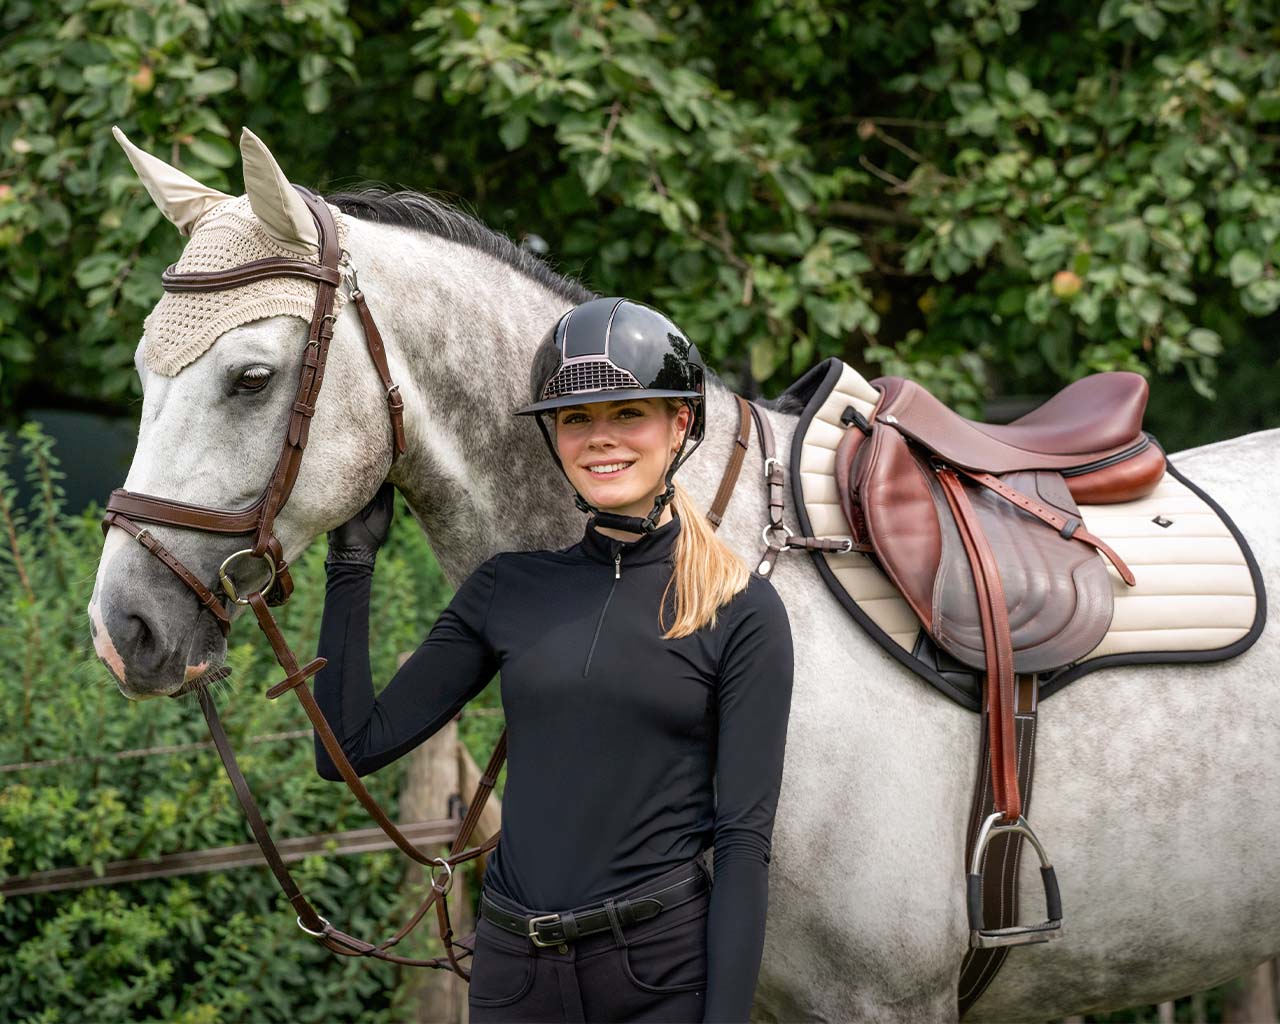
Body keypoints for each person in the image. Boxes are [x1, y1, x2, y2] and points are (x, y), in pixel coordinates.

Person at [313, 296, 794, 1023]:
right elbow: (347, 749)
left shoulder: (741, 610)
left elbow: (743, 843)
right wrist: (349, 563)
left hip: (658, 975)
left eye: (627, 414)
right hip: (513, 976)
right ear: (555, 437)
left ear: (679, 424)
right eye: (576, 420)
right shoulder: (507, 589)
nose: (601, 440)